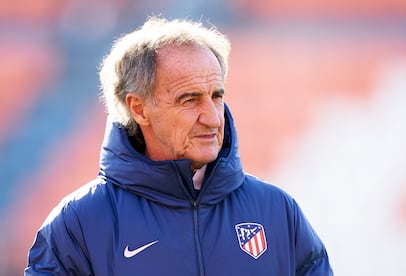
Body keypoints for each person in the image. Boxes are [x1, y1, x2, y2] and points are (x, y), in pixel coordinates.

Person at [25, 16, 333, 275]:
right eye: (190, 100)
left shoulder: (277, 211)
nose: (213, 119)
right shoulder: (79, 224)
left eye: (217, 96)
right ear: (139, 108)